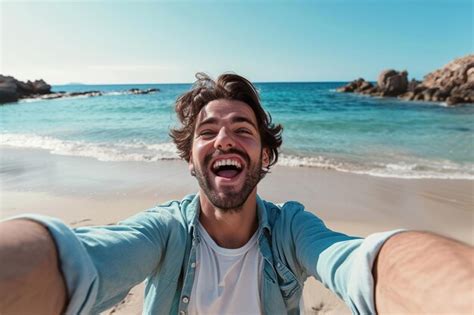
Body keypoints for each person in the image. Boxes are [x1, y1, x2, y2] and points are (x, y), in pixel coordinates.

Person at [0, 73, 472, 315]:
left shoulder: (290, 229)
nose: (224, 139)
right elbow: (81, 262)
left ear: (265, 156)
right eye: (207, 131)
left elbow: (357, 264)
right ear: (190, 158)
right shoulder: (165, 231)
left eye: (242, 129)